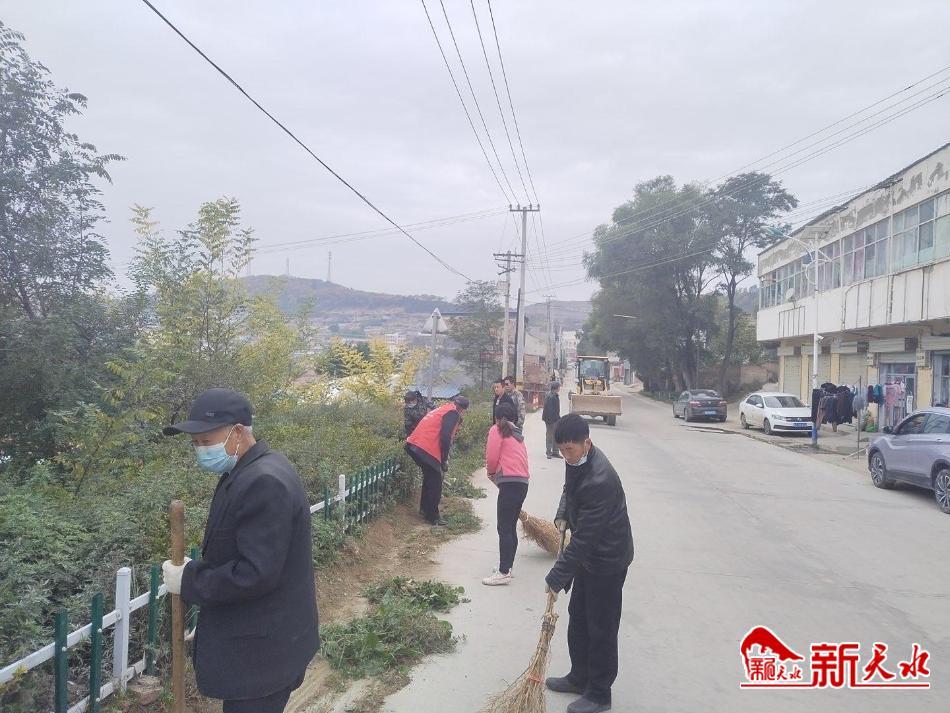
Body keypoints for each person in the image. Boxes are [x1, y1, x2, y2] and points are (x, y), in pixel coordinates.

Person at [160, 388, 319, 713]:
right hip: (262, 644)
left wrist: (190, 580)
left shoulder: (264, 482)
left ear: (237, 432)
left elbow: (255, 574)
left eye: (206, 440)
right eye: (195, 443)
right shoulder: (247, 470)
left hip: (263, 656)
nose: (200, 449)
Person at [544, 414, 634, 713]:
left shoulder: (600, 479)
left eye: (570, 449)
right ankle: (579, 676)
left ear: (587, 443)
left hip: (607, 559)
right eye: (561, 450)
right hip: (589, 557)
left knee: (601, 626)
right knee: (579, 617)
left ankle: (599, 693)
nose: (565, 455)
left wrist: (556, 576)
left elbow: (585, 540)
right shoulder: (577, 460)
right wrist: (562, 514)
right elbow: (569, 490)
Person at [482, 402, 530, 586]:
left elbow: (492, 456)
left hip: (509, 483)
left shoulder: (497, 430)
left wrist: (491, 472)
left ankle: (503, 572)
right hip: (522, 483)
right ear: (514, 418)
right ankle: (507, 567)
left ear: (496, 417)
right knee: (509, 527)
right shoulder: (517, 434)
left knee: (504, 528)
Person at [405, 395, 469, 525]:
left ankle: (425, 510)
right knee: (436, 482)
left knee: (430, 478)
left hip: (415, 444)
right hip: (426, 447)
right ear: (462, 410)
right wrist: (444, 460)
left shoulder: (444, 408)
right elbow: (445, 437)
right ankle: (433, 517)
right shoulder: (453, 413)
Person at [542, 382, 562, 459]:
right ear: (555, 388)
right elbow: (549, 410)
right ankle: (549, 452)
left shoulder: (555, 395)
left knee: (556, 436)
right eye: (559, 387)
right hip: (550, 420)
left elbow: (556, 410)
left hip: (555, 419)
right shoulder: (550, 397)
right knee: (549, 436)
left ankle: (555, 452)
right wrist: (550, 421)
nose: (559, 388)